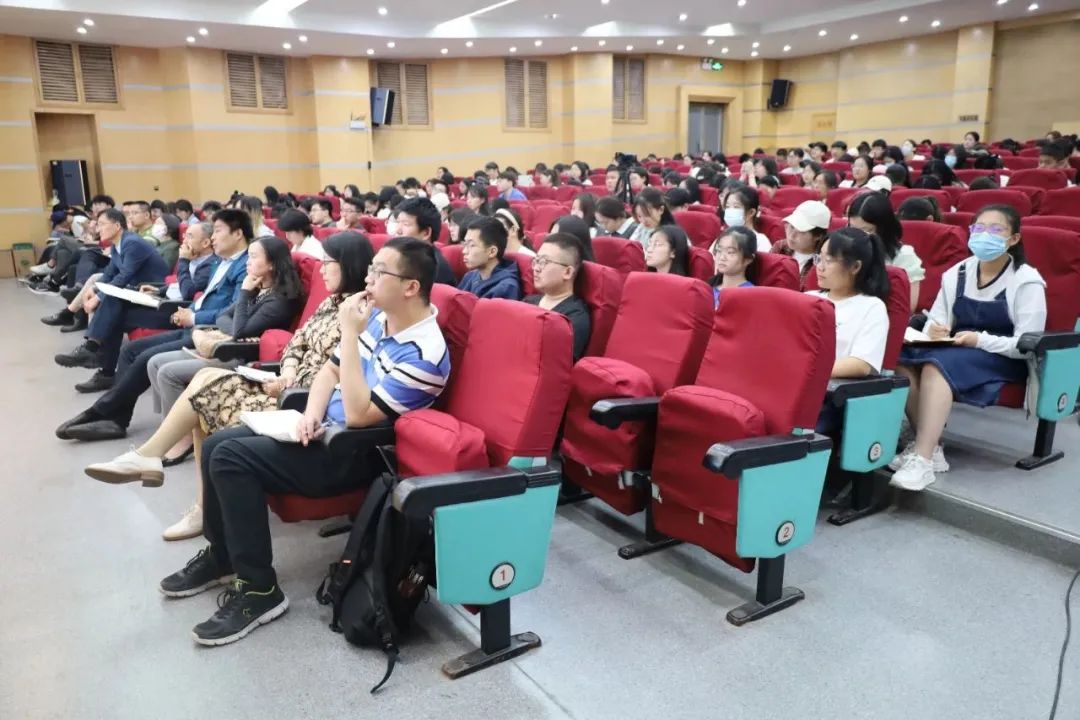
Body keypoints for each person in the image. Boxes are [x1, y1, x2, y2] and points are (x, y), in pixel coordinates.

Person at [89, 238, 449, 646]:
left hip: (354, 453)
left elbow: (358, 416)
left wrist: (350, 334)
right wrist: (311, 413)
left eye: (379, 272)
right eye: (370, 269)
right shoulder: (382, 318)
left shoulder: (425, 353)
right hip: (321, 429)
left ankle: (260, 590)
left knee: (232, 457)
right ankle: (223, 556)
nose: (368, 279)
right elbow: (329, 373)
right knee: (218, 444)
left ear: (410, 287)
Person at [85, 232, 374, 541]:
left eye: (328, 263)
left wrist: (290, 385)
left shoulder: (361, 313)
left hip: (303, 404)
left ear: (349, 265)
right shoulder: (331, 302)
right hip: (287, 384)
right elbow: (296, 343)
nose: (322, 269)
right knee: (205, 381)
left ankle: (186, 493)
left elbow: (343, 370)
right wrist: (288, 372)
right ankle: (167, 472)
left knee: (205, 395)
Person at [55, 209, 254, 442]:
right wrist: (179, 304)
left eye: (218, 231)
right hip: (191, 323)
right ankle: (117, 418)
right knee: (129, 350)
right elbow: (204, 296)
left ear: (238, 234)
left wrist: (194, 317)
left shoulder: (246, 266)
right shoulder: (222, 262)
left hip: (208, 333)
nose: (213, 238)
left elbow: (233, 311)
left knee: (143, 357)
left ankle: (101, 411)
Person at [890, 205, 1047, 491]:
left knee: (937, 365)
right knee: (900, 357)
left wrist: (980, 340)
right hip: (958, 349)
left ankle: (922, 460)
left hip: (1004, 357)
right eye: (979, 228)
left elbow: (1026, 345)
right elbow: (937, 319)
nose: (985, 235)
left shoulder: (1026, 280)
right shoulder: (957, 272)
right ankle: (932, 446)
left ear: (1013, 238)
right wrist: (934, 329)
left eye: (995, 229)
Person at [53, 208, 172, 371]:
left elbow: (124, 275)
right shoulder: (118, 245)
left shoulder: (132, 243)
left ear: (117, 226)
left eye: (102, 224)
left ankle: (93, 352)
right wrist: (94, 289)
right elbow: (110, 273)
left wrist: (98, 297)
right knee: (110, 304)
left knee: (110, 300)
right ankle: (97, 359)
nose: (98, 228)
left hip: (155, 292)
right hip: (137, 290)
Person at [847, 192, 925, 312]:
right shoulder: (843, 249)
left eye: (866, 231)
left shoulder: (904, 256)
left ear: (883, 229)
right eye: (852, 229)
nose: (857, 237)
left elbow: (907, 308)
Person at [524, 233, 591, 361]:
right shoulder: (528, 302)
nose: (536, 268)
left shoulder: (573, 318)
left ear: (567, 272)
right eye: (536, 261)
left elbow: (556, 364)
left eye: (544, 262)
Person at [457, 217, 522, 300]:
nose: (464, 251)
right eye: (465, 244)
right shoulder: (470, 276)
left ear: (492, 252)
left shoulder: (506, 288)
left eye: (471, 245)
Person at [395, 196, 456, 285]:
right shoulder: (401, 254)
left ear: (426, 233)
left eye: (405, 224)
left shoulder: (435, 270)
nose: (398, 230)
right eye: (398, 222)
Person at [772, 200, 831, 290]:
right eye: (791, 227)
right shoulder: (780, 247)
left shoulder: (822, 263)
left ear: (818, 236)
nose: (792, 235)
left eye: (801, 231)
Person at [709, 226, 757, 307]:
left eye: (730, 252)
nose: (722, 257)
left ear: (748, 259)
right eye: (719, 251)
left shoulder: (751, 294)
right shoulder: (708, 289)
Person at [721, 186, 771, 252]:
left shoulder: (760, 240)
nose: (730, 211)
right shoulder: (723, 236)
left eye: (736, 207)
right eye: (727, 206)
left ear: (751, 212)